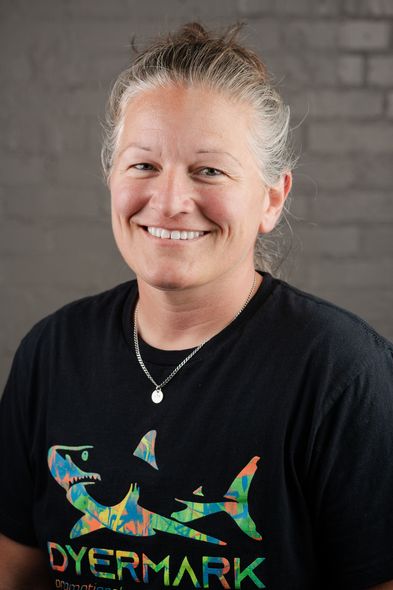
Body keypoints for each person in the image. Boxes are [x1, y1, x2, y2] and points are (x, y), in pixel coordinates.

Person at [0, 21, 392, 590]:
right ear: (111, 177)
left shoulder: (346, 375)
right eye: (143, 165)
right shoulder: (50, 352)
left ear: (271, 198)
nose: (170, 201)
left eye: (209, 170)